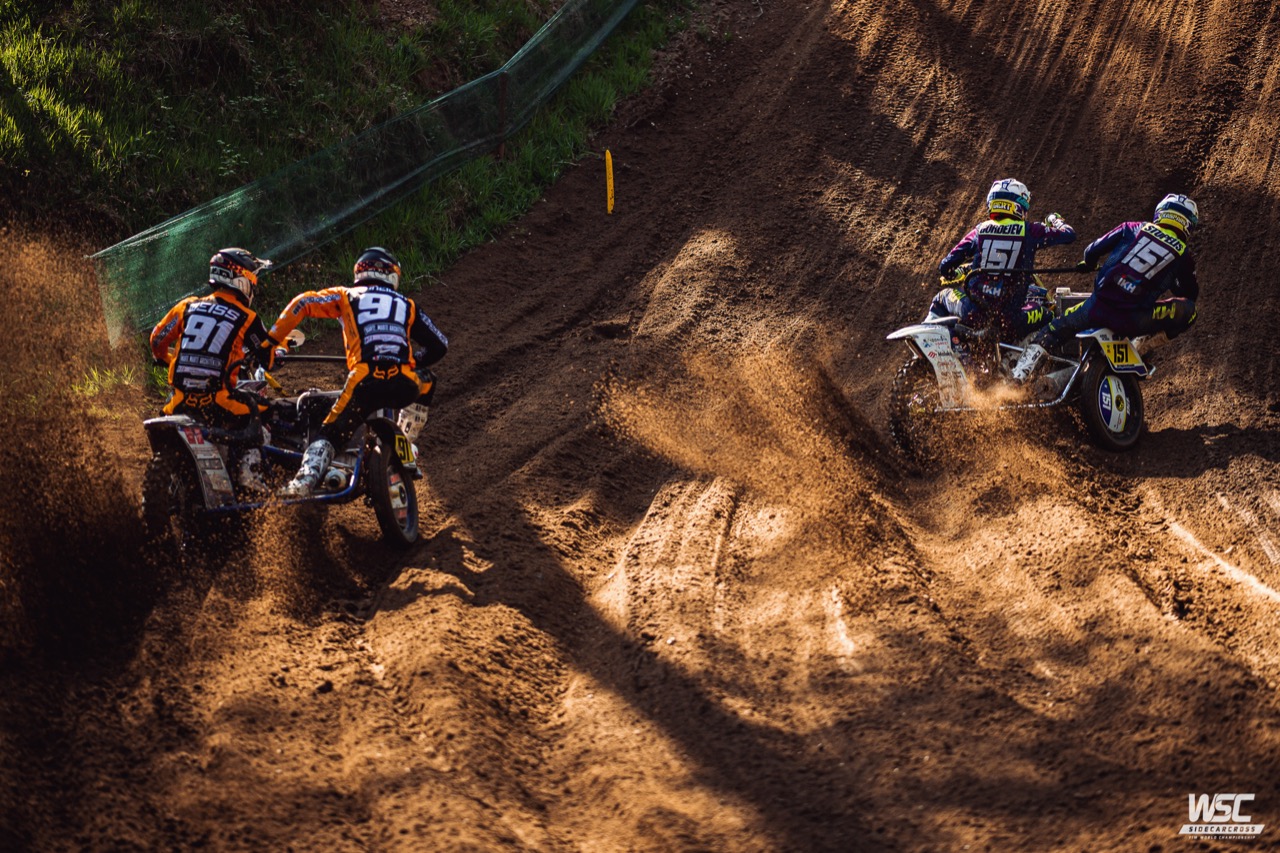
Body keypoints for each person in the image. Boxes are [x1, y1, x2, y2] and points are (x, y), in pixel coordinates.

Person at [268, 247, 448, 498]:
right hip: (404, 381)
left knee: (330, 433)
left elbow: (303, 302)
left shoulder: (346, 295)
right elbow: (440, 345)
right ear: (391, 274)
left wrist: (271, 341)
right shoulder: (407, 304)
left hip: (364, 380)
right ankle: (406, 443)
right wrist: (412, 361)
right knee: (427, 381)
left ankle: (304, 482)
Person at [1012, 193, 1200, 382]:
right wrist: (1171, 277)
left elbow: (1091, 251)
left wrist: (1089, 263)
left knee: (1054, 329)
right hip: (1134, 320)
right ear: (1188, 224)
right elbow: (1190, 293)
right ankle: (1139, 348)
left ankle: (1017, 376)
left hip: (1096, 308)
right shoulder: (1183, 255)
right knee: (1190, 311)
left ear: (1161, 213)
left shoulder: (1132, 227)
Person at [150, 247, 277, 491]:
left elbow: (156, 340)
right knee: (267, 412)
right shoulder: (247, 317)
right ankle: (249, 474)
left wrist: (168, 358)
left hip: (179, 402)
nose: (254, 285)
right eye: (253, 279)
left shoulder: (186, 306)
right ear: (241, 280)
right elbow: (268, 358)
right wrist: (275, 355)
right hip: (219, 401)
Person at [935, 178, 1076, 344]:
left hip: (974, 313)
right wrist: (1054, 219)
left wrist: (957, 273)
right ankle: (1029, 356)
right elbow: (1069, 234)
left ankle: (940, 345)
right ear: (1019, 205)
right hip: (1011, 319)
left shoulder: (980, 230)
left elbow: (945, 266)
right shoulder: (1030, 231)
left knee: (941, 298)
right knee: (1049, 313)